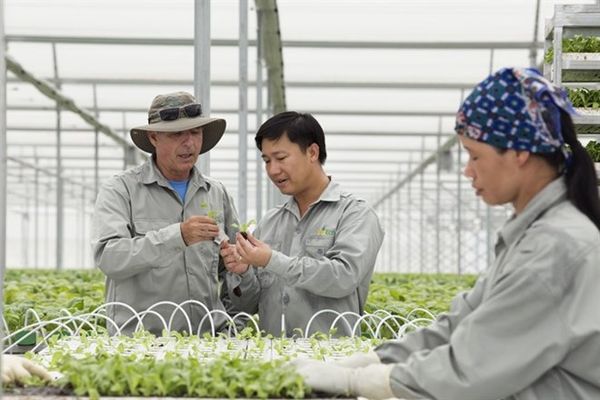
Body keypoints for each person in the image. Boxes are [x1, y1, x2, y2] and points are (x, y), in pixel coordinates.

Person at [290, 68, 600, 399]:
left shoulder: (555, 247)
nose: (467, 170)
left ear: (519, 152)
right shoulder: (532, 235)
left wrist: (356, 381)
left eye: (475, 155)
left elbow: (472, 368)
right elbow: (462, 322)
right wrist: (374, 360)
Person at [220, 111, 384, 337]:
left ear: (312, 152)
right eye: (267, 161)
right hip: (272, 354)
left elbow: (343, 278)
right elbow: (249, 306)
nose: (272, 170)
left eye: (281, 158)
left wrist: (271, 260)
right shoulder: (271, 221)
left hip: (331, 354)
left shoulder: (355, 214)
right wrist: (244, 272)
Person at [92, 91, 241, 336]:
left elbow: (232, 269)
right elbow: (109, 258)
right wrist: (177, 237)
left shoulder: (216, 193)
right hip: (140, 345)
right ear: (154, 137)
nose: (189, 143)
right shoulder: (121, 190)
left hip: (205, 342)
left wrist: (231, 324)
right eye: (176, 134)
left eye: (195, 132)